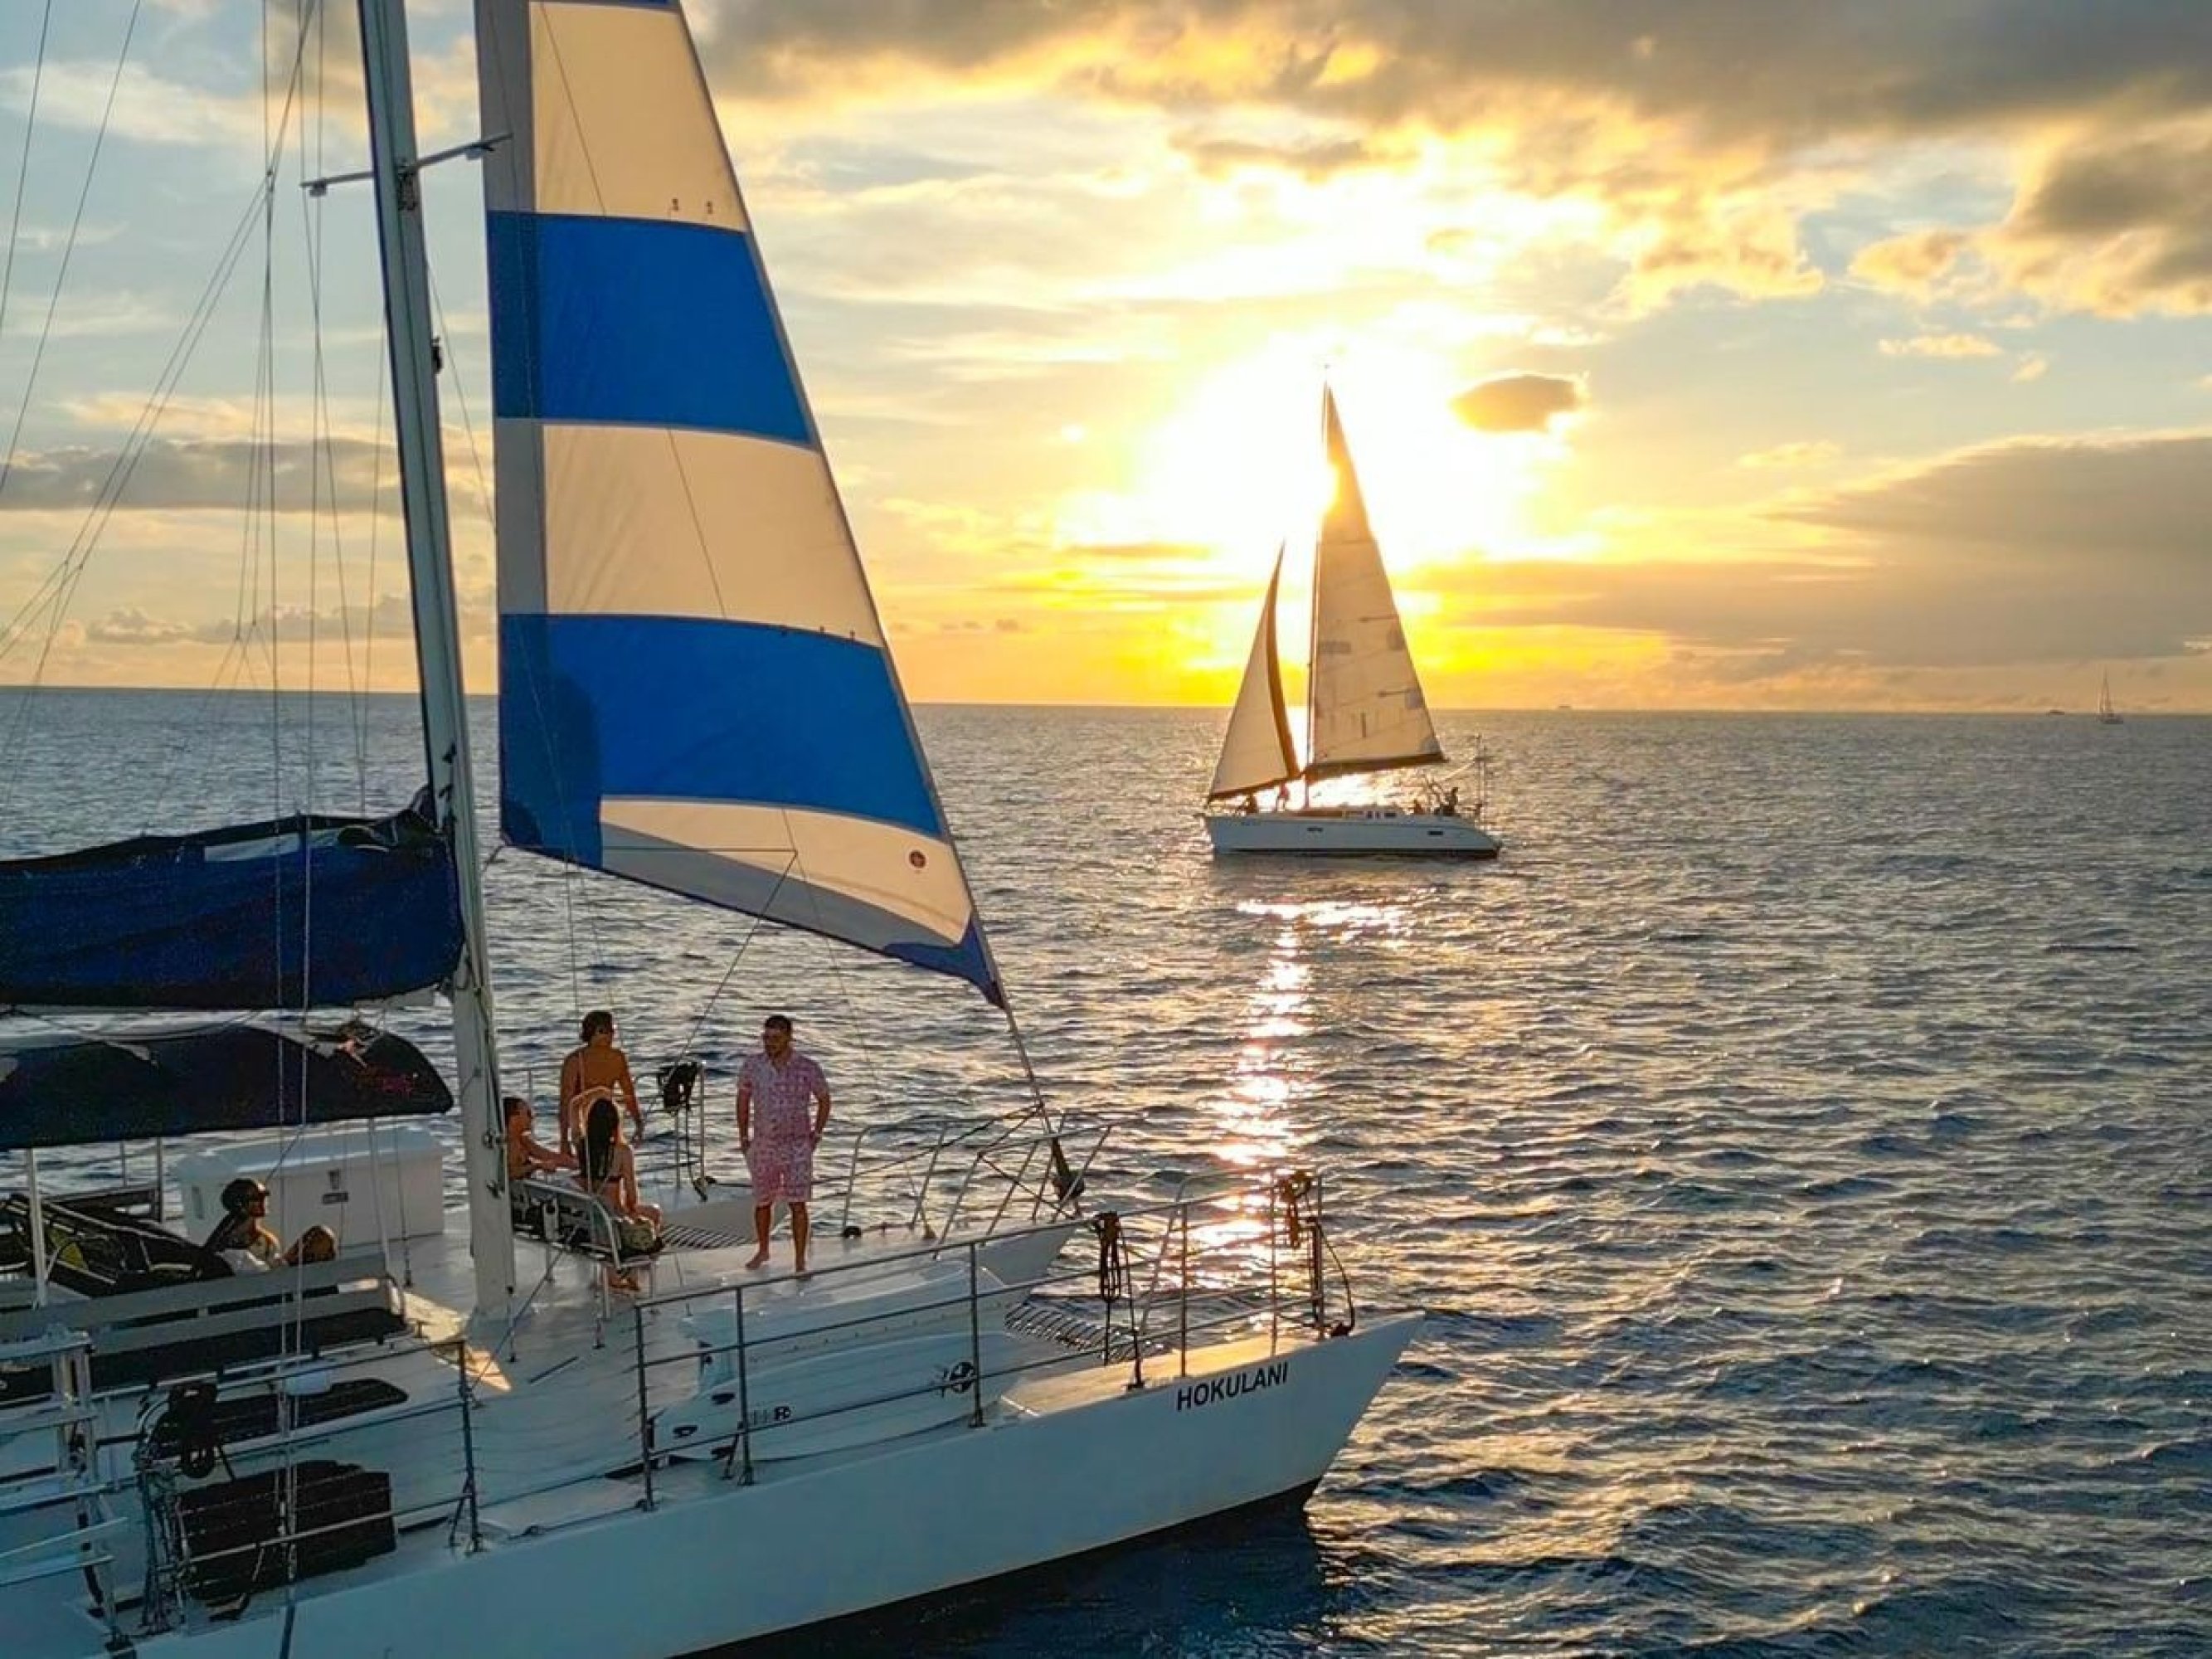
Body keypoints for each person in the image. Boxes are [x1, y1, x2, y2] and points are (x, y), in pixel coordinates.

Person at [735, 1014, 831, 1274]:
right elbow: (743, 1100)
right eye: (766, 1038)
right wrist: (744, 1137)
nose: (769, 1043)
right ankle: (763, 1249)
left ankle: (800, 1260)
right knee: (762, 1201)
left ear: (789, 1038)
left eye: (776, 1039)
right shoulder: (753, 1065)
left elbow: (824, 1098)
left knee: (798, 1204)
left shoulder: (807, 1067)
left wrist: (817, 1134)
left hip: (797, 1144)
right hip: (764, 1143)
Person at [576, 1092, 661, 1291]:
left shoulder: (582, 1145)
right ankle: (630, 1272)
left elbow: (573, 1107)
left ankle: (615, 1274)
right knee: (654, 1213)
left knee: (625, 1219)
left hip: (590, 1216)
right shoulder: (623, 1152)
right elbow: (632, 1196)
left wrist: (591, 1093)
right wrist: (632, 1210)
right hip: (613, 1216)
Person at [559, 1010, 644, 1155]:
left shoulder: (618, 1058)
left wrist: (638, 1123)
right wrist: (564, 1140)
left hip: (609, 1116)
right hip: (582, 1118)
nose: (611, 1034)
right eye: (604, 1030)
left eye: (612, 1030)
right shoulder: (575, 1060)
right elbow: (566, 1099)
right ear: (592, 1032)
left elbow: (629, 1092)